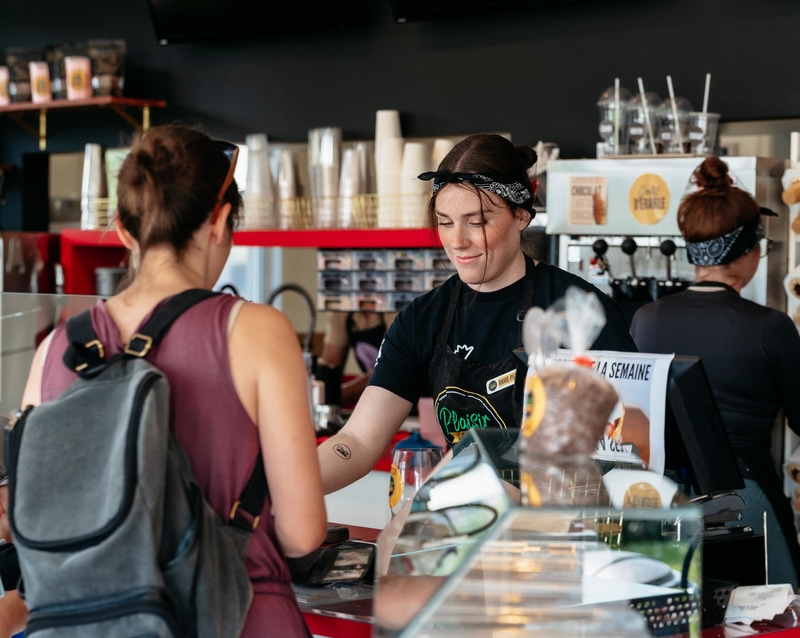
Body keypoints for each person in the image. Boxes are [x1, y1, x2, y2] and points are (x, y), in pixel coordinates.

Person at [20, 124, 327, 637]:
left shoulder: (56, 347)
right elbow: (302, 534)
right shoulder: (255, 330)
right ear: (220, 219)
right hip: (235, 616)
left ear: (122, 229)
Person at [317, 133, 637, 495]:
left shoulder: (581, 314)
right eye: (445, 221)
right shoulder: (422, 320)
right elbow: (358, 442)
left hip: (560, 528)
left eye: (477, 221)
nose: (457, 241)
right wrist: (282, 487)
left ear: (520, 215)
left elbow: (624, 450)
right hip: (466, 517)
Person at [630, 155, 800, 589]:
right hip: (745, 500)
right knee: (768, 619)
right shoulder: (770, 327)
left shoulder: (646, 319)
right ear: (750, 251)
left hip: (662, 499)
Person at [318, 309, 397, 406]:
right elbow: (331, 362)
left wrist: (333, 396)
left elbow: (390, 370)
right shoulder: (343, 306)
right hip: (378, 402)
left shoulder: (394, 304)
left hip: (409, 400)